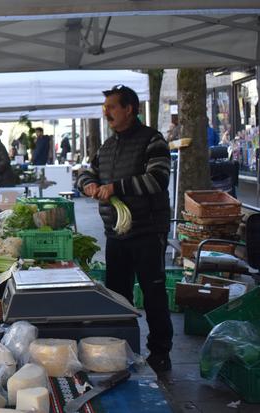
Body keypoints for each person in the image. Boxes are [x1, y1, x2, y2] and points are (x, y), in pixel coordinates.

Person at [76, 84, 173, 374]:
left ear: (129, 109)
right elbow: (87, 171)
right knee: (118, 295)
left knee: (153, 293)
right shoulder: (108, 146)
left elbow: (158, 179)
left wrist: (115, 187)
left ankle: (161, 352)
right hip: (115, 234)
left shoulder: (152, 140)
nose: (106, 113)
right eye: (104, 108)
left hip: (147, 232)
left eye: (111, 107)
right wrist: (88, 184)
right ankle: (123, 350)